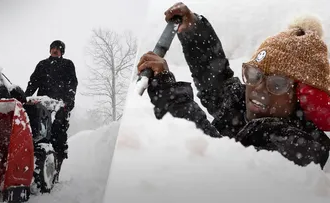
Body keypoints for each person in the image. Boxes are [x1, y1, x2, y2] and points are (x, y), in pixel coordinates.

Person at [137, 2, 330, 169]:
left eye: (277, 84)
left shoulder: (303, 148)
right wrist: (194, 30)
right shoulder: (244, 107)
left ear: (300, 96)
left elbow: (217, 168)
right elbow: (218, 83)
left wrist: (171, 94)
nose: (258, 89)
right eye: (254, 75)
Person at [25, 40, 78, 181]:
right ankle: (37, 166)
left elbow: (72, 84)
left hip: (60, 106)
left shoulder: (68, 65)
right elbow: (33, 82)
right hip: (42, 106)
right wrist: (25, 98)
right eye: (53, 48)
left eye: (58, 49)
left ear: (62, 52)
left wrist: (67, 103)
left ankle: (55, 171)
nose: (55, 50)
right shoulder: (42, 65)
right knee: (39, 136)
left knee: (58, 137)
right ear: (50, 50)